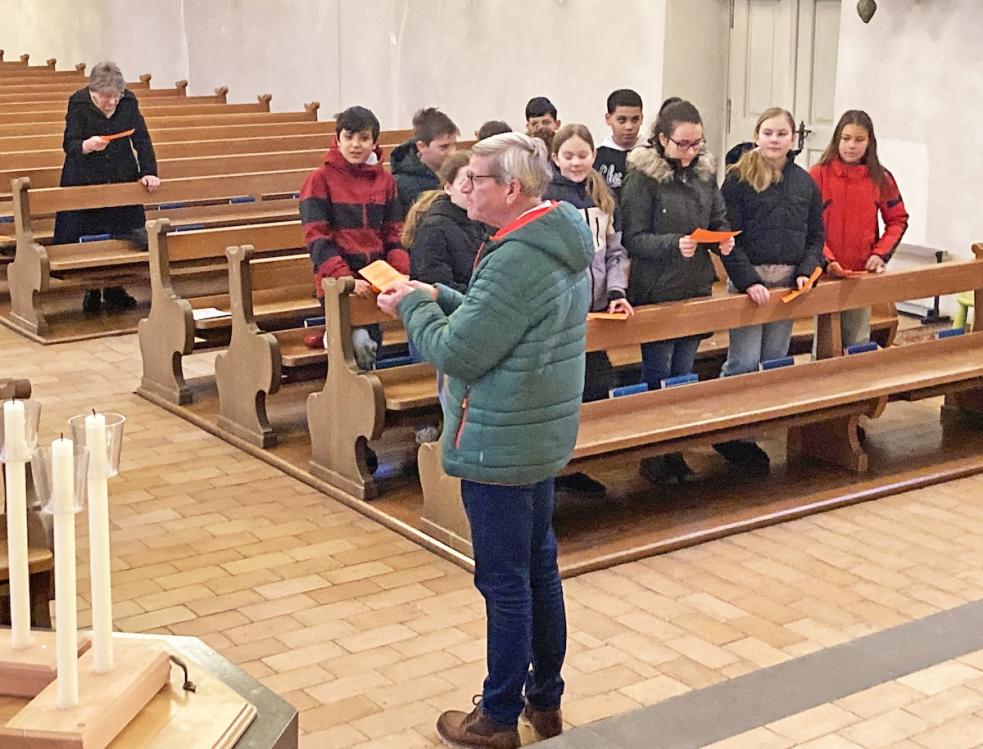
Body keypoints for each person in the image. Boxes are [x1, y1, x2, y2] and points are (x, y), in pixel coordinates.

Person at [377, 133, 591, 749]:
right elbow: (498, 317)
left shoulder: (516, 256)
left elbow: (460, 351)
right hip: (536, 430)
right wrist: (433, 293)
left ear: (511, 189)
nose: (463, 187)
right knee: (538, 570)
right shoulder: (553, 237)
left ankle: (497, 718)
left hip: (501, 439)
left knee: (505, 583)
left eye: (475, 178)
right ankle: (544, 701)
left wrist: (411, 312)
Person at [621, 98, 733, 484]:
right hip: (656, 288)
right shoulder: (642, 178)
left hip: (694, 285)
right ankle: (652, 454)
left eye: (697, 143)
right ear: (661, 139)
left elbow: (717, 217)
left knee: (684, 373)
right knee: (658, 374)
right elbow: (633, 238)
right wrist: (673, 244)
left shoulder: (703, 173)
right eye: (682, 144)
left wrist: (723, 239)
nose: (690, 151)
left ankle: (676, 449)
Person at [717, 106, 824, 473]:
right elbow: (727, 237)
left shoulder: (804, 182)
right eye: (768, 133)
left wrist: (806, 272)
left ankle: (756, 428)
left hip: (787, 283)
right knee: (744, 361)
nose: (775, 140)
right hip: (750, 282)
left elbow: (816, 235)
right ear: (757, 136)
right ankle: (730, 431)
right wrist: (748, 280)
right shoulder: (738, 179)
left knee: (774, 359)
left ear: (793, 140)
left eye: (782, 134)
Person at [546, 124, 632, 496]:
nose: (576, 162)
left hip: (597, 308)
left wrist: (616, 291)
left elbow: (615, 252)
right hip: (564, 312)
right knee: (564, 392)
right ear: (555, 158)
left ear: (594, 156)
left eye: (583, 155)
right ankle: (558, 468)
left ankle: (580, 461)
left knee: (597, 387)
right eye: (568, 156)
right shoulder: (547, 199)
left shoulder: (603, 197)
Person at [298, 105, 409, 374]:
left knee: (371, 342)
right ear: (337, 139)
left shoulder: (386, 182)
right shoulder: (320, 180)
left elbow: (394, 232)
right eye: (349, 137)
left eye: (364, 138)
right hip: (338, 280)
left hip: (376, 279)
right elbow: (317, 237)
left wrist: (398, 271)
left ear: (374, 143)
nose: (356, 145)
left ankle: (362, 387)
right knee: (359, 345)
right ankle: (356, 392)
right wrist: (345, 279)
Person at [54, 60, 160, 313]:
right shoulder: (78, 102)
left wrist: (148, 172)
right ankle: (91, 288)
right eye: (106, 97)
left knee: (123, 231)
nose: (112, 102)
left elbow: (142, 139)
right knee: (92, 232)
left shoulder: (128, 101)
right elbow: (69, 143)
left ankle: (115, 287)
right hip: (85, 177)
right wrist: (87, 145)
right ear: (94, 92)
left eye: (116, 96)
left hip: (121, 173)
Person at [810, 110, 908, 347]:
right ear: (837, 139)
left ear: (869, 142)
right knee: (824, 343)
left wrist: (880, 253)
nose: (851, 145)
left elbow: (897, 219)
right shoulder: (818, 174)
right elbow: (807, 224)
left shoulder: (881, 178)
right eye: (846, 138)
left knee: (857, 341)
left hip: (860, 272)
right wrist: (827, 260)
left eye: (859, 139)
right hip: (825, 270)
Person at [403, 150, 486, 294]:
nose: (471, 189)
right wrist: (483, 296)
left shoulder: (485, 221)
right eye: (463, 182)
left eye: (477, 182)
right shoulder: (434, 228)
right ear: (448, 188)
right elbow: (435, 284)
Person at [390, 107, 459, 217]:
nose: (452, 153)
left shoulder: (458, 173)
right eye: (444, 147)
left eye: (454, 144)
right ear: (421, 146)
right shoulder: (402, 185)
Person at [594, 88, 644, 198]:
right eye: (622, 120)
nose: (629, 126)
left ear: (642, 118)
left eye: (635, 119)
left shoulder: (653, 156)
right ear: (608, 119)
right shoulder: (596, 158)